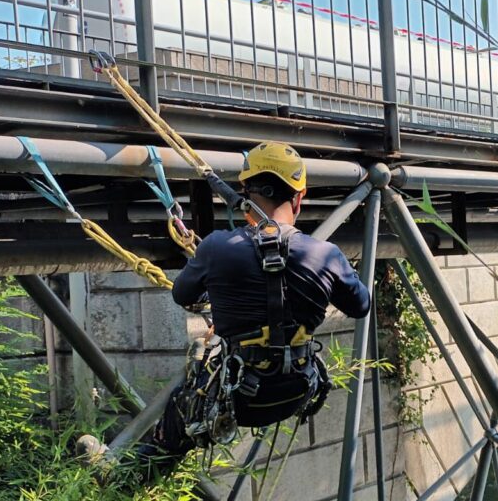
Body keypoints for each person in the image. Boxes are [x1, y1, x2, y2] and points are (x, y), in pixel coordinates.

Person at [80, 141, 371, 478]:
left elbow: (183, 294)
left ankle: (125, 476)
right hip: (295, 390)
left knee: (182, 402)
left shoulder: (218, 247)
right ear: (299, 197)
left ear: (244, 195)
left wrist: (221, 280)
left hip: (239, 399)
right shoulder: (327, 255)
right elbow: (360, 304)